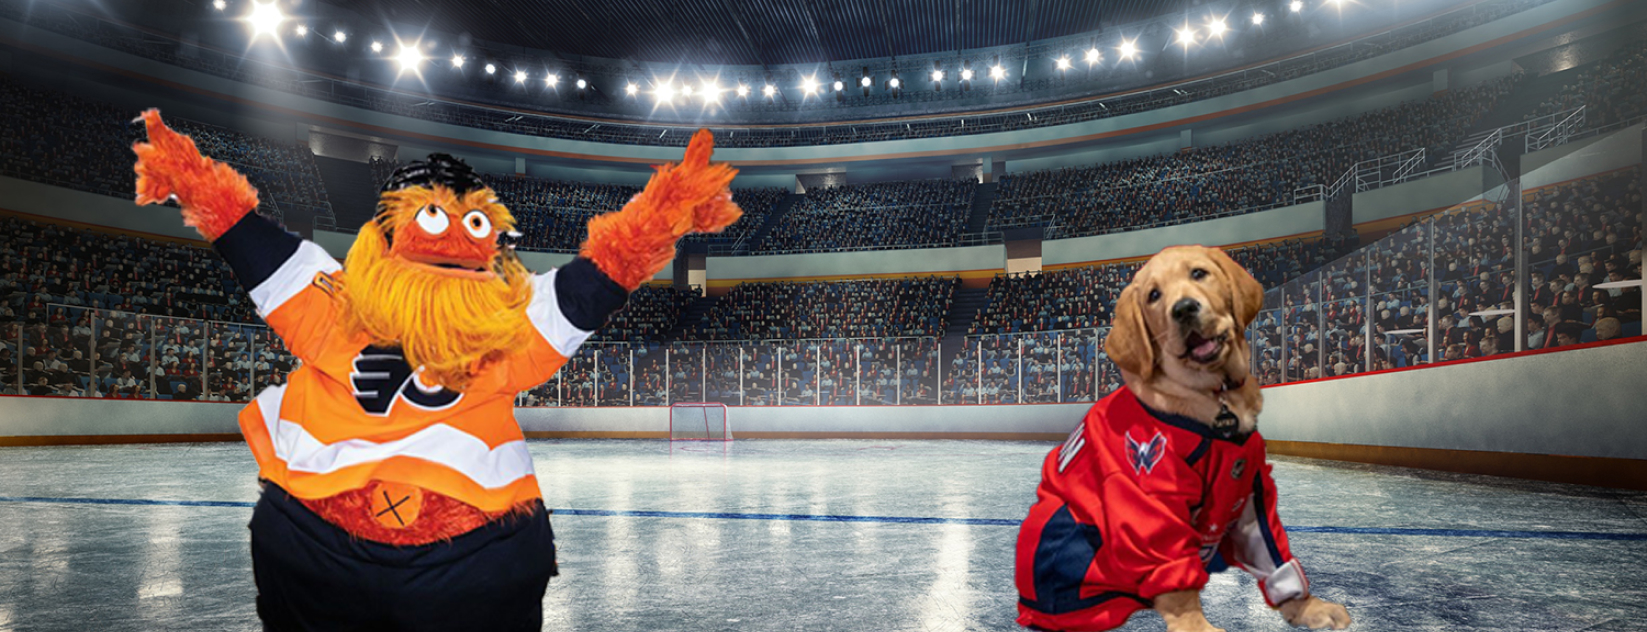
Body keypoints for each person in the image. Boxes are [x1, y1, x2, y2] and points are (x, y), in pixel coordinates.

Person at [132, 110, 740, 631]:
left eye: (468, 222)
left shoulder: (343, 302)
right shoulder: (499, 318)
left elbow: (246, 238)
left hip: (340, 548)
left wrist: (191, 178)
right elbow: (595, 280)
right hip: (452, 557)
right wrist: (663, 213)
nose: (449, 235)